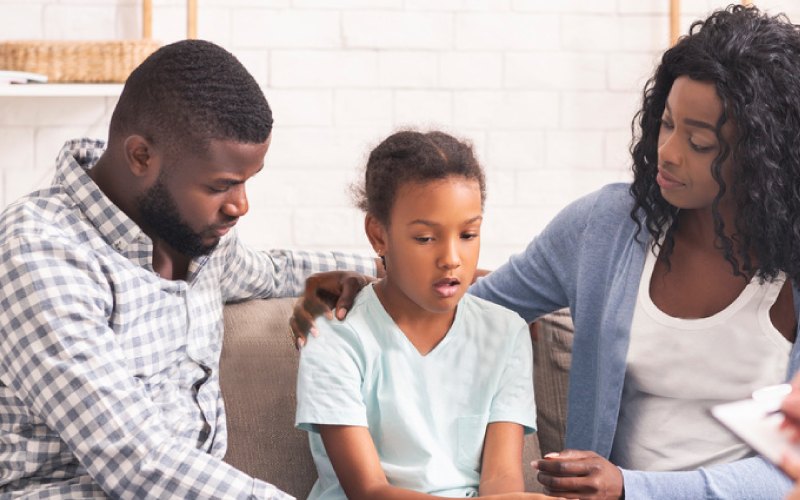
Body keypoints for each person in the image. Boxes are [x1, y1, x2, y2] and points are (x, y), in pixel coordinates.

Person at [291, 5, 800, 499]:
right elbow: (466, 306)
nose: (667, 151)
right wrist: (370, 278)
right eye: (666, 124)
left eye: (699, 142)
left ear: (763, 156)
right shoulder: (607, 228)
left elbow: (793, 469)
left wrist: (633, 489)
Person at [0, 40, 378, 500]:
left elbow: (274, 271)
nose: (241, 205)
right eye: (221, 185)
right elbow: (139, 461)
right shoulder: (38, 253)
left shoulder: (196, 236)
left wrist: (393, 266)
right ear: (141, 157)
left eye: (245, 181)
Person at [295, 130, 560, 500]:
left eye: (468, 234)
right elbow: (369, 492)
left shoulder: (505, 332)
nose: (451, 258)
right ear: (378, 235)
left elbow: (501, 482)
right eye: (425, 238)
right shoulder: (336, 337)